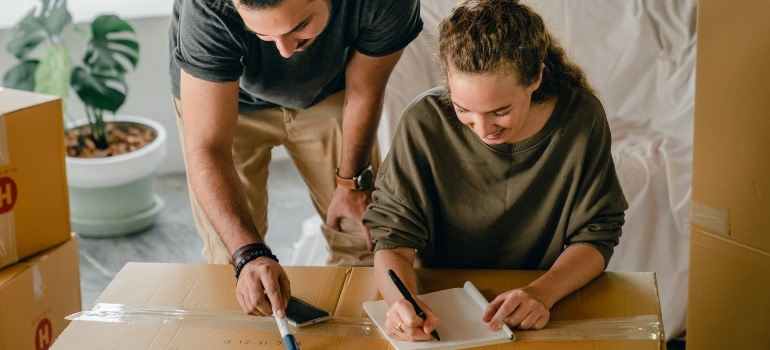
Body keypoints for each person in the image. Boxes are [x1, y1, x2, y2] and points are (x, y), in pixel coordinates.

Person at [363, 0, 628, 341]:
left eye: (501, 111)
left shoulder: (581, 118)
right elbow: (393, 239)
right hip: (440, 310)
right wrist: (402, 303)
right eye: (464, 110)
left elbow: (597, 234)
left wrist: (541, 293)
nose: (483, 129)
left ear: (535, 78)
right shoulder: (423, 122)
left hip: (540, 305)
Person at [168, 0, 422, 318]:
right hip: (224, 99)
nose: (284, 51)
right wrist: (249, 255)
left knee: (363, 238)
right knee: (233, 261)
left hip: (329, 94)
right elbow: (209, 149)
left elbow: (365, 89)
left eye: (299, 26)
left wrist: (351, 182)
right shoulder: (208, 8)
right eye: (261, 33)